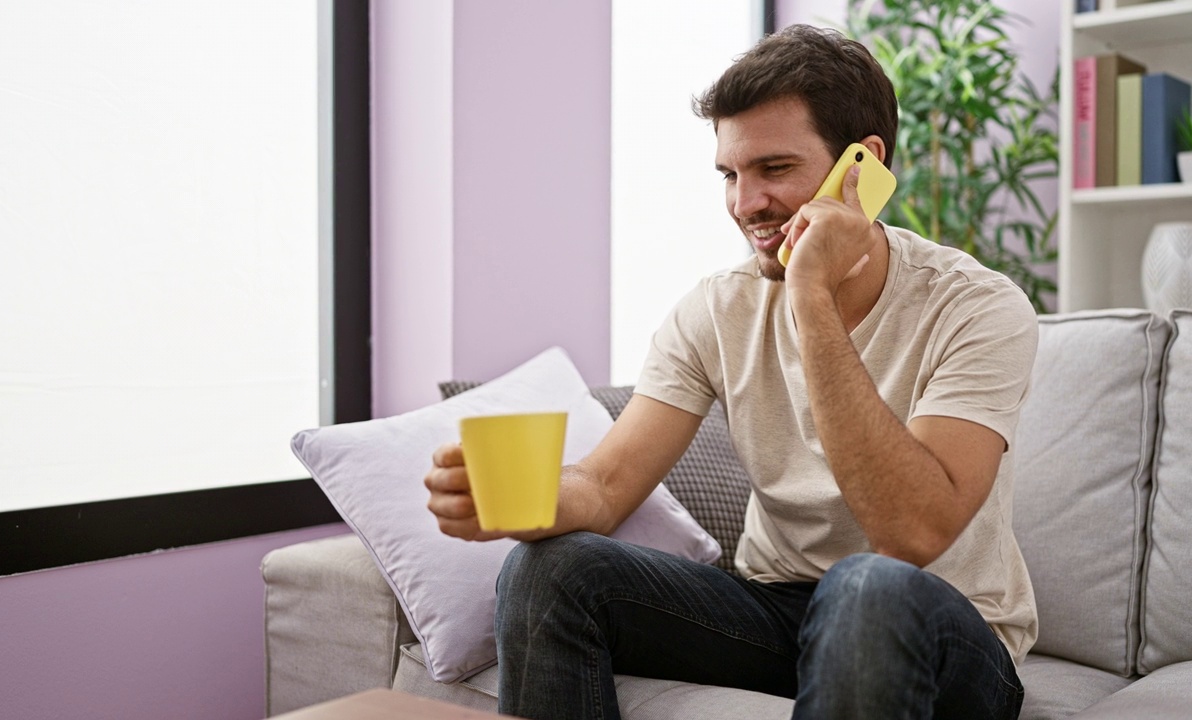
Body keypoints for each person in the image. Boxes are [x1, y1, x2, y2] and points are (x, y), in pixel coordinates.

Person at [425, 24, 1037, 720]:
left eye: (774, 169)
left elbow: (912, 535)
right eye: (730, 174)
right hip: (778, 610)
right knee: (551, 570)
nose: (746, 204)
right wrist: (514, 503)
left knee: (868, 586)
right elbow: (604, 485)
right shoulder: (716, 309)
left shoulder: (977, 307)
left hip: (940, 626)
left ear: (861, 168)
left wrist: (810, 295)